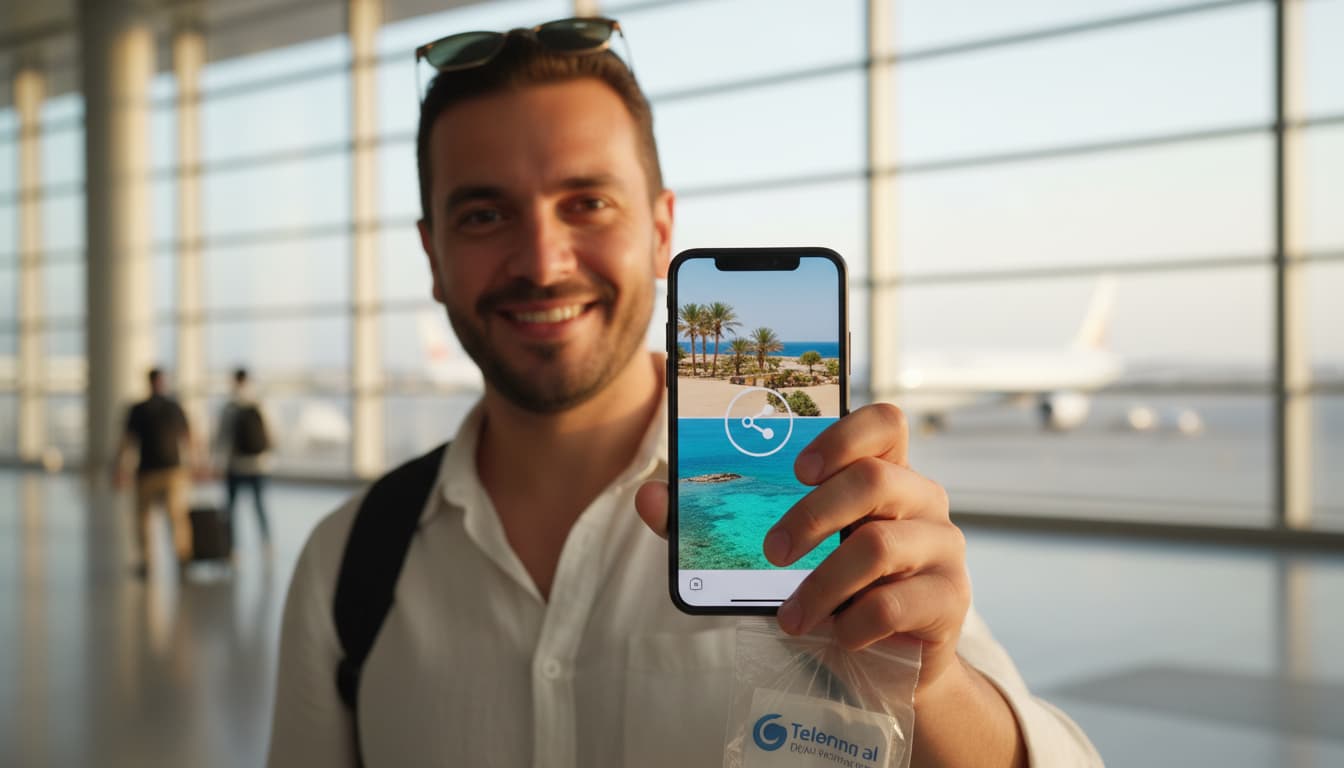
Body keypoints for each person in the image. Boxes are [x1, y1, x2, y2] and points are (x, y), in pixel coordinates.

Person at [268, 18, 1101, 767]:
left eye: (587, 203)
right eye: (484, 216)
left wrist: (933, 686)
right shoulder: (348, 564)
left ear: (661, 230)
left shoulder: (814, 513)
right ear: (432, 256)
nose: (544, 263)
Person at [115, 367, 194, 578]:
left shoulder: (155, 408)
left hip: (166, 472)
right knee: (149, 519)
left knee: (171, 517)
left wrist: (195, 464)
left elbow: (188, 436)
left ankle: (180, 557)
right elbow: (128, 440)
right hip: (154, 472)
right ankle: (152, 560)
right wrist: (120, 468)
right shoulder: (160, 407)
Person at [215, 367, 273, 552]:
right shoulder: (259, 403)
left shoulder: (230, 407)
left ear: (234, 381)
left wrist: (216, 462)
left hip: (236, 465)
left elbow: (221, 437)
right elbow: (271, 434)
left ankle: (232, 547)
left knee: (231, 509)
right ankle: (267, 543)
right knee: (260, 506)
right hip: (258, 464)